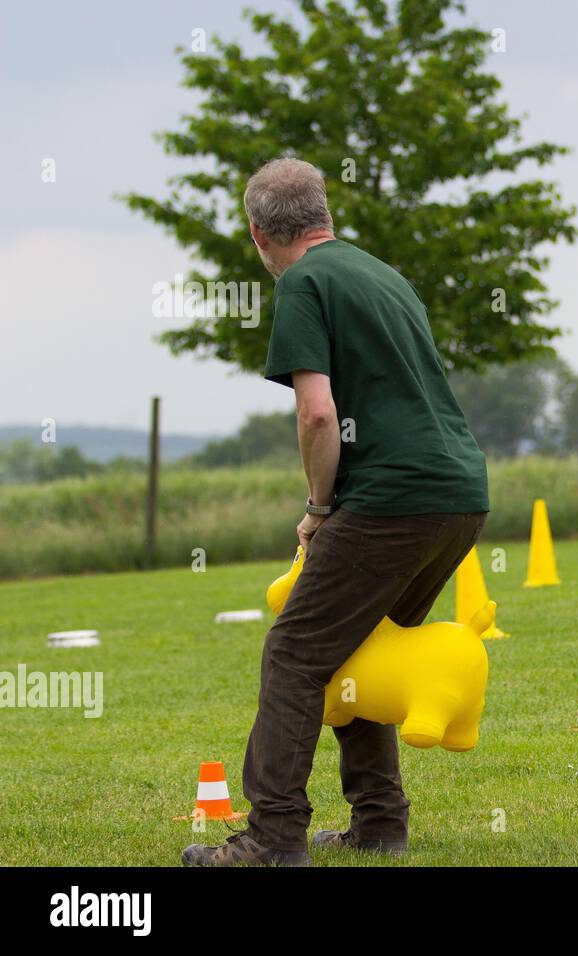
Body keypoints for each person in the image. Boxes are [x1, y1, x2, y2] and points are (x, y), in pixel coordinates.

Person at [183, 157, 489, 866]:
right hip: (459, 493)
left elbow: (318, 415)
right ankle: (380, 823)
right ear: (323, 214)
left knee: (293, 653)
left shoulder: (302, 283)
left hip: (392, 498)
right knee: (362, 645)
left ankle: (272, 837)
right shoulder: (384, 275)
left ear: (259, 233)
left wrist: (319, 507)